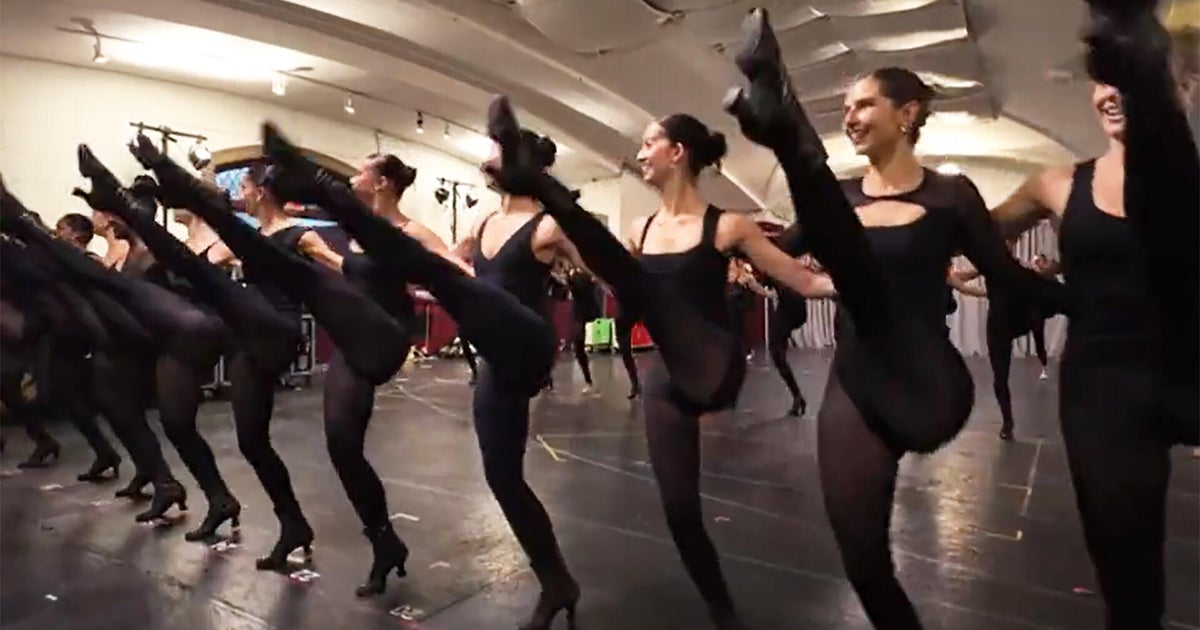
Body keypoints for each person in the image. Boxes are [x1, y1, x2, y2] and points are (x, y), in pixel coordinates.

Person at [721, 10, 1068, 629]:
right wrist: (738, 245)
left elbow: (1004, 273)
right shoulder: (841, 198)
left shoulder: (950, 194)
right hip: (857, 380)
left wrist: (1079, 301)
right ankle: (786, 124)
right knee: (863, 562)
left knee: (857, 265)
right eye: (845, 109)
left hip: (925, 376)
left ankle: (787, 125)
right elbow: (786, 253)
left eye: (864, 104)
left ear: (907, 114)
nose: (851, 117)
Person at [487, 96, 829, 629]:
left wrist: (872, 285)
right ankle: (723, 611)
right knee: (679, 510)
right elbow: (613, 277)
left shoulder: (728, 226)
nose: (641, 153)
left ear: (678, 152)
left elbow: (803, 280)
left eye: (650, 143)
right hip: (670, 374)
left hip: (713, 362)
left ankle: (544, 186)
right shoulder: (642, 229)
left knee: (636, 279)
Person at [987, 8, 1198, 626]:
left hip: (1189, 370)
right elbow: (973, 232)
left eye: (1129, 76)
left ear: (1184, 88)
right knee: (1127, 578)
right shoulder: (1056, 184)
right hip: (1104, 391)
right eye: (1102, 80)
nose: (1110, 93)